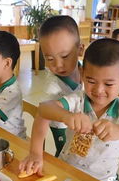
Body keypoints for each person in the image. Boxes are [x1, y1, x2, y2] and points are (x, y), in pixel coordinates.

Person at [19, 39, 119, 181]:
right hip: (67, 172)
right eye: (91, 81)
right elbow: (44, 109)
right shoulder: (78, 101)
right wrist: (66, 116)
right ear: (82, 73)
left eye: (108, 84)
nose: (98, 90)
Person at [36, 15, 84, 157]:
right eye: (50, 59)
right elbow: (42, 116)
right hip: (63, 133)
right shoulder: (53, 88)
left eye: (64, 56)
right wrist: (36, 153)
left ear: (80, 50)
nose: (57, 65)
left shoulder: (89, 73)